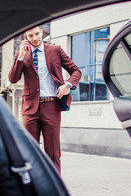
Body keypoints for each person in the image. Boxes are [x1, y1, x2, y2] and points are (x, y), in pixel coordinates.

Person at [8, 26, 81, 173]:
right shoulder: (21, 55)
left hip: (51, 106)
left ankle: (55, 188)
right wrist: (20, 56)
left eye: (36, 34)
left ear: (41, 32)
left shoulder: (55, 50)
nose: (35, 38)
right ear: (26, 38)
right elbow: (13, 79)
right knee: (30, 151)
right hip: (30, 109)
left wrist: (68, 85)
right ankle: (34, 186)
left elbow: (76, 71)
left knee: (53, 152)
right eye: (30, 36)